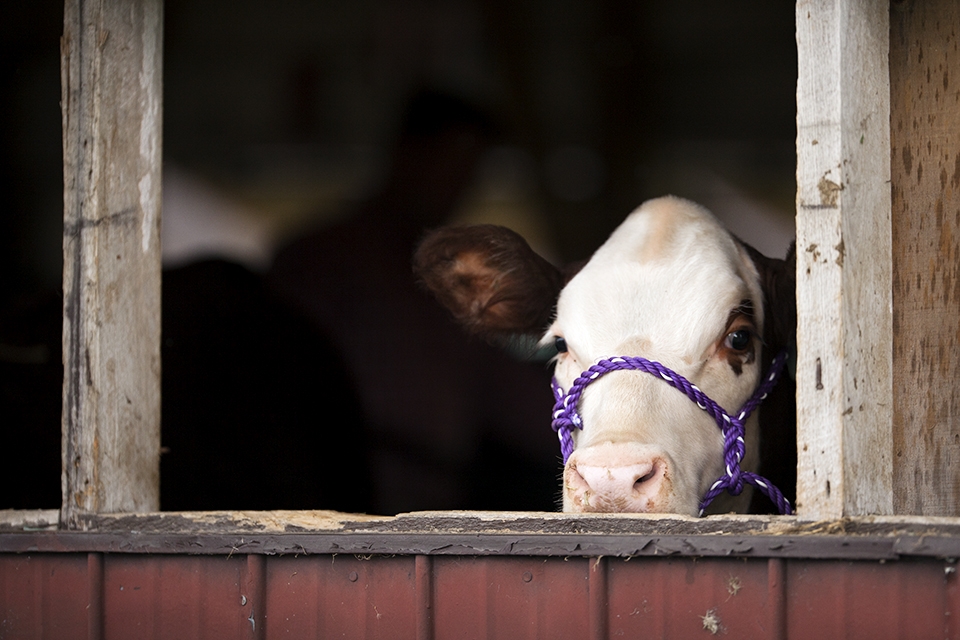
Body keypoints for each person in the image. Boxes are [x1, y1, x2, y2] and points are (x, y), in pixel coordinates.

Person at [267, 89, 558, 514]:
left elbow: (507, 395)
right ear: (407, 153)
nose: (458, 184)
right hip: (333, 501)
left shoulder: (460, 277)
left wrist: (595, 430)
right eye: (449, 164)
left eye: (470, 171)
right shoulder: (319, 261)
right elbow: (280, 390)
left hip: (442, 504)